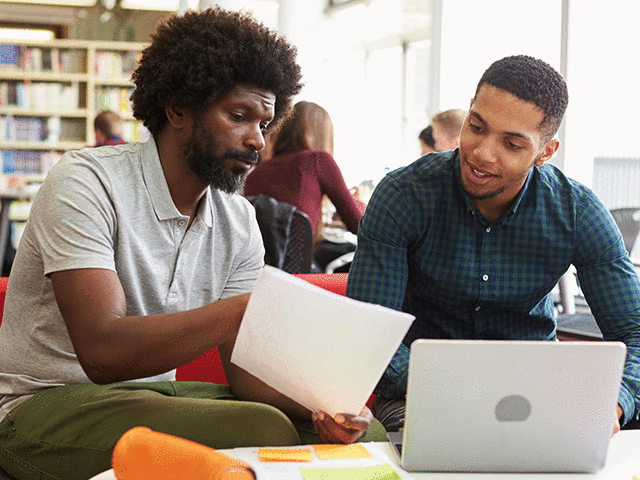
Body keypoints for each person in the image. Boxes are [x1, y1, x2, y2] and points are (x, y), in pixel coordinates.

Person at [0, 9, 383, 480]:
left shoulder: (238, 217)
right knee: (264, 426)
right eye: (239, 116)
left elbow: (242, 373)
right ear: (178, 107)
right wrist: (242, 310)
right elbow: (101, 352)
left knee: (366, 434)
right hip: (42, 408)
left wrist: (324, 409)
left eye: (264, 124)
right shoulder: (86, 181)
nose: (256, 141)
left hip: (148, 399)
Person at [346, 55, 640, 434]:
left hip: (535, 396)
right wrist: (466, 392)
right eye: (477, 127)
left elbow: (635, 329)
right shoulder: (404, 195)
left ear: (545, 153)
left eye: (512, 144)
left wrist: (615, 403)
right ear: (468, 113)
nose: (482, 153)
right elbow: (368, 336)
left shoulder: (576, 211)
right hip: (420, 394)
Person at [243, 101, 365, 271]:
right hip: (296, 275)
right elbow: (360, 224)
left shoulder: (258, 170)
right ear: (324, 135)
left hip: (257, 273)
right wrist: (357, 201)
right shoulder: (318, 160)